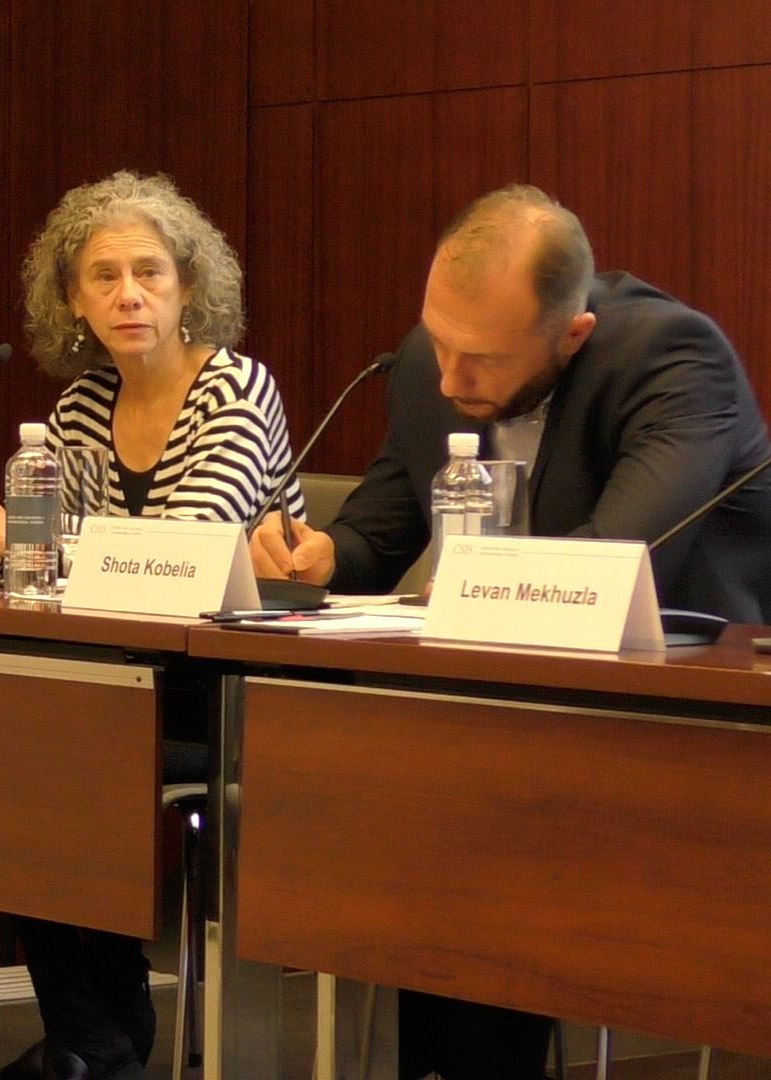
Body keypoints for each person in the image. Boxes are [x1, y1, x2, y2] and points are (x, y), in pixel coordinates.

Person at [249, 184, 771, 1079]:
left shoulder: (673, 359)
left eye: (480, 359)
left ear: (574, 334)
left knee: (471, 807)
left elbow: (611, 562)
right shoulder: (434, 360)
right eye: (439, 342)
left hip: (688, 724)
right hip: (511, 716)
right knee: (412, 794)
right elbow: (377, 532)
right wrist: (320, 556)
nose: (448, 381)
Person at [0, 171, 303, 1080]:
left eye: (149, 272)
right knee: (6, 745)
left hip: (231, 691)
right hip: (120, 682)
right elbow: (48, 566)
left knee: (53, 748)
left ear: (187, 285)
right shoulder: (84, 406)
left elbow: (178, 558)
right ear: (72, 300)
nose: (129, 294)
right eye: (104, 276)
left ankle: (96, 1040)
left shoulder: (236, 390)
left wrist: (28, 536)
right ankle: (94, 1037)